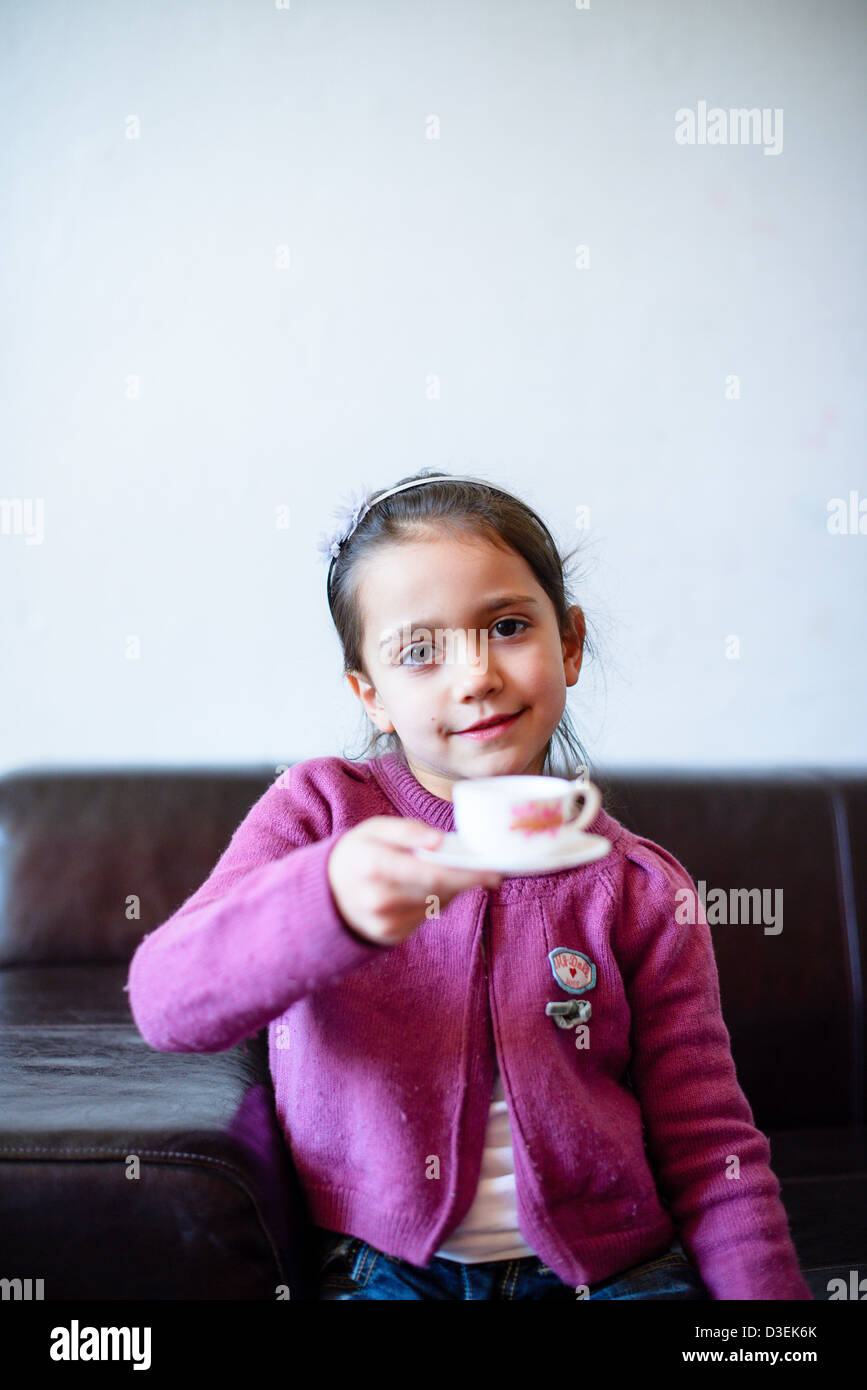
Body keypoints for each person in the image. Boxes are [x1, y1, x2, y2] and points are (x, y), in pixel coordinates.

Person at [126, 468, 812, 1301]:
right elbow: (167, 1003)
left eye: (509, 626)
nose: (475, 675)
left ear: (568, 644)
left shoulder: (635, 885)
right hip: (382, 1272)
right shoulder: (320, 815)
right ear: (370, 695)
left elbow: (710, 1146)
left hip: (616, 1271)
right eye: (420, 651)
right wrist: (329, 902)